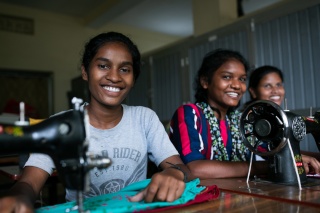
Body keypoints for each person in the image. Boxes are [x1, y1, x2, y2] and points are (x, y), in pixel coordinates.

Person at [0, 32, 192, 212]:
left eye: (125, 69)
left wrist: (174, 174)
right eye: (103, 66)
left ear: (133, 79)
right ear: (85, 72)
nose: (114, 77)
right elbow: (30, 182)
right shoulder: (62, 125)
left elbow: (182, 168)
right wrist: (19, 195)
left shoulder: (144, 118)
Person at [169, 49, 320, 179]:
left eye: (242, 79)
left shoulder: (241, 120)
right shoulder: (190, 114)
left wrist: (305, 158)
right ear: (205, 81)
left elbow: (271, 149)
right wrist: (269, 167)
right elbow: (195, 169)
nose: (236, 85)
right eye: (227, 77)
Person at [246, 65, 320, 166]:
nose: (275, 90)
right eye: (267, 86)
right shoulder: (246, 119)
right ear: (253, 92)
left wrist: (316, 157)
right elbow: (265, 150)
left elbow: (282, 149)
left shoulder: (276, 117)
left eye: (278, 85)